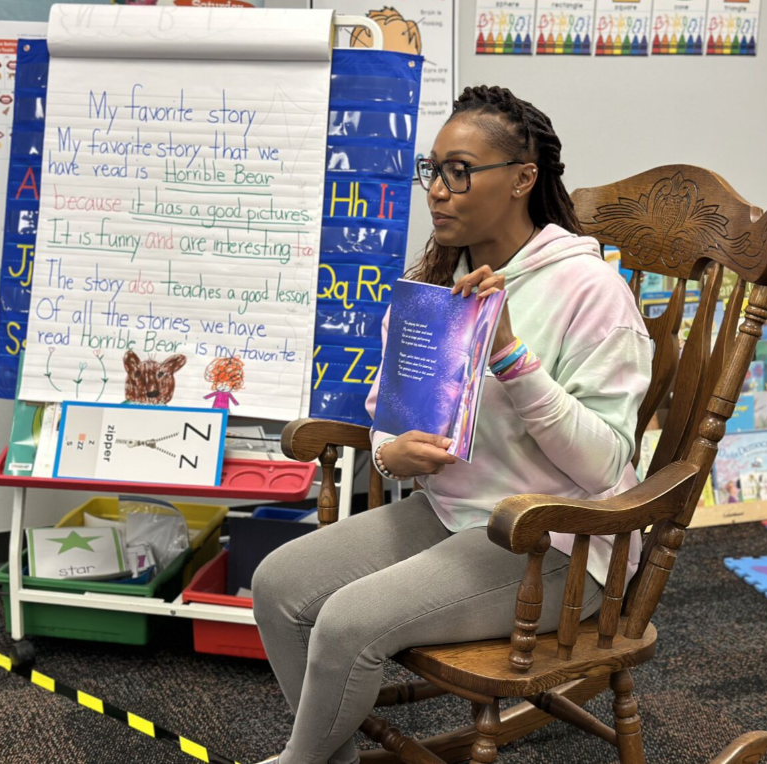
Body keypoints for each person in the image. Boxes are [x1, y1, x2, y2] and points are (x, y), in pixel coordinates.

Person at [251, 85, 652, 764]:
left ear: (523, 179)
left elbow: (606, 466)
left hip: (558, 540)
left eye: (459, 171)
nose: (436, 190)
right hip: (454, 513)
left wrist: (513, 358)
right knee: (276, 586)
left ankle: (300, 761)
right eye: (431, 170)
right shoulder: (443, 276)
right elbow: (389, 411)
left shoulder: (592, 292)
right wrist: (389, 453)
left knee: (349, 624)